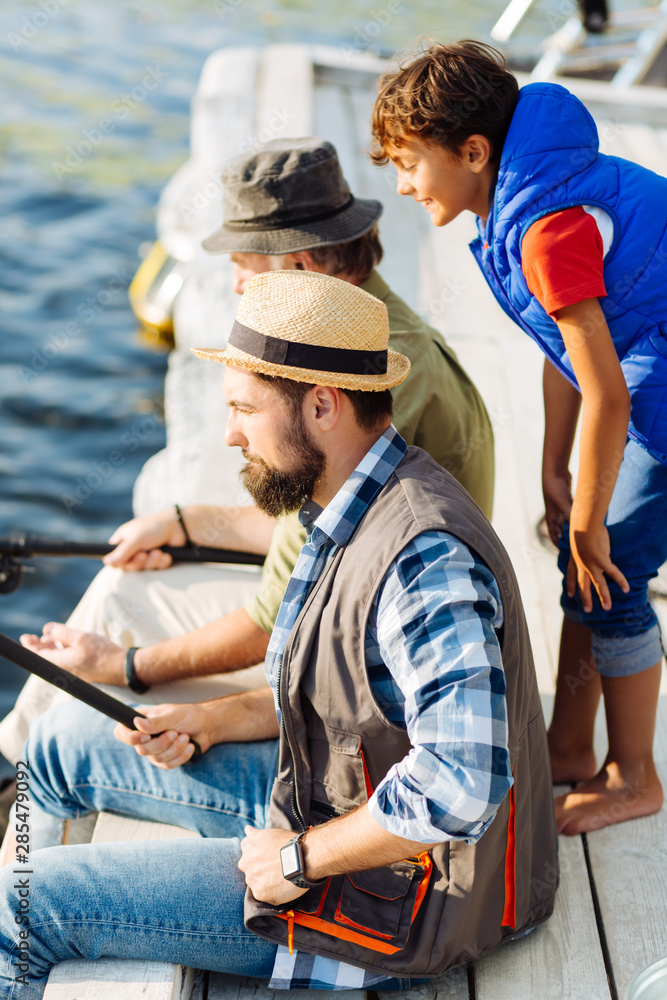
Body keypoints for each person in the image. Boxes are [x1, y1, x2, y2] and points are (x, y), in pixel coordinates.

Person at [0, 270, 556, 998]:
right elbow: (348, 690)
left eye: (243, 409)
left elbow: (462, 780)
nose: (230, 434)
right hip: (340, 806)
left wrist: (297, 859)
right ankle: (24, 896)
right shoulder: (346, 502)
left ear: (322, 404)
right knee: (53, 746)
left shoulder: (423, 556)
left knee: (20, 907)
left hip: (405, 893)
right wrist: (210, 719)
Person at [0, 138, 494, 764]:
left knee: (117, 610)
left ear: (304, 264)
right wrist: (184, 522)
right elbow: (305, 530)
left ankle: (17, 788)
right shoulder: (373, 332)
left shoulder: (363, 372)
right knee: (121, 586)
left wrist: (124, 664)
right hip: (354, 606)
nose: (234, 282)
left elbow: (277, 611)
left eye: (246, 263)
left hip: (373, 654)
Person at [370, 39, 667, 835]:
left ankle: (634, 776)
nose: (401, 185)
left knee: (615, 567)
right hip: (644, 361)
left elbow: (605, 390)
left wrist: (588, 511)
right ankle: (569, 747)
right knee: (588, 562)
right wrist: (551, 469)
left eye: (408, 163)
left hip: (655, 385)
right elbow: (563, 355)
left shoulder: (545, 232)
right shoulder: (522, 202)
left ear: (472, 152)